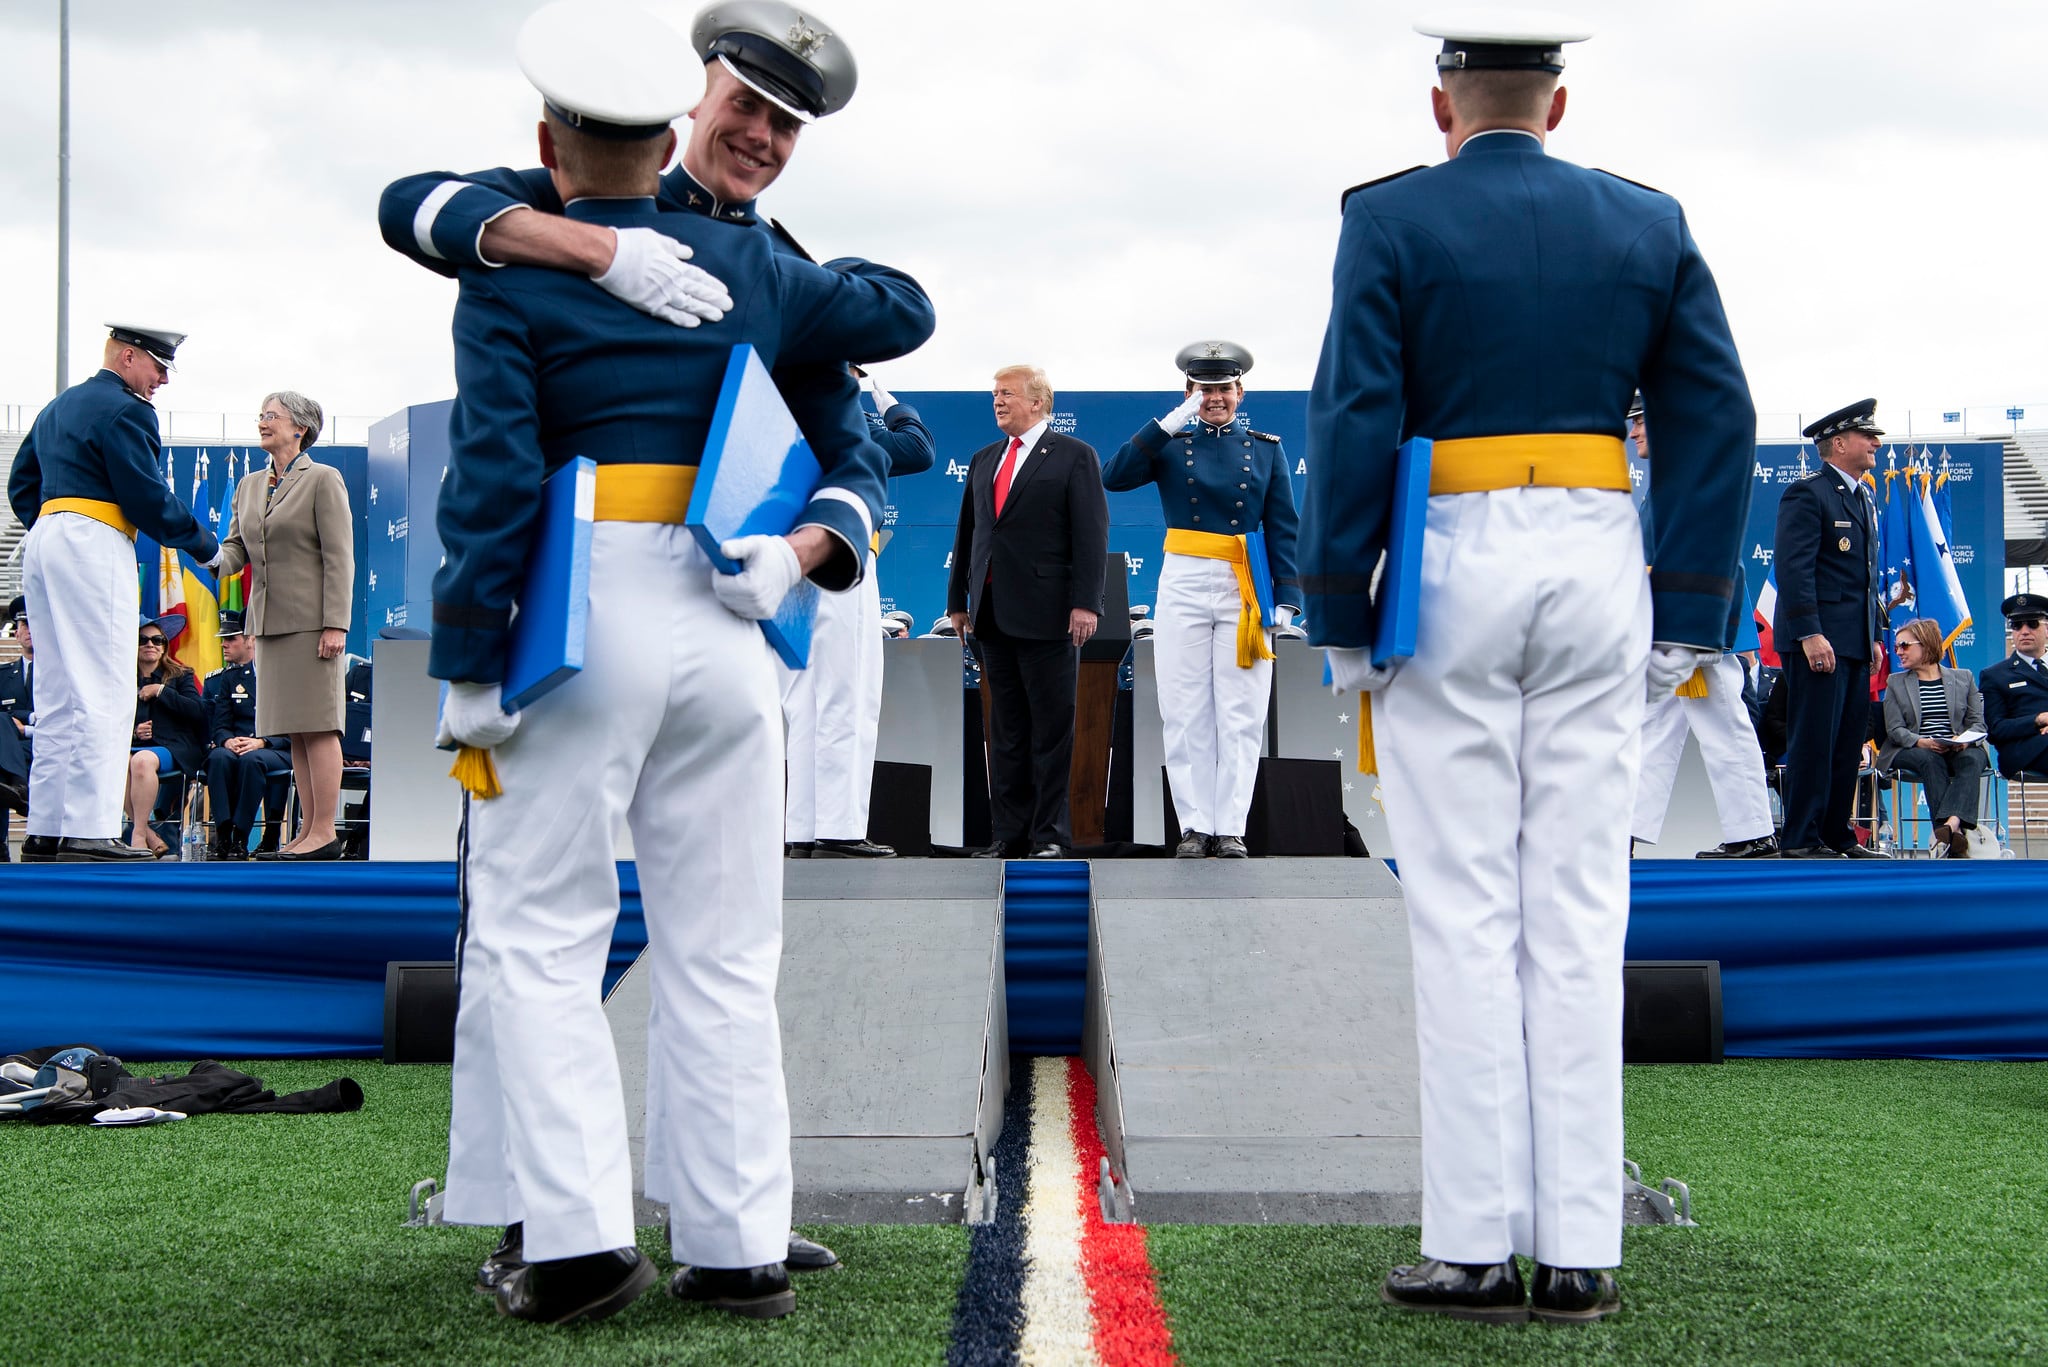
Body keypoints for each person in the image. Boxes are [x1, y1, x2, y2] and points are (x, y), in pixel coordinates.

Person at [425, 2, 932, 1327]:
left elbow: (487, 480)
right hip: (725, 616)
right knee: (723, 945)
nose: (759, 135)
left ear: (551, 141)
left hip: (577, 608)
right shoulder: (754, 271)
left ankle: (581, 1238)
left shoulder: (510, 270)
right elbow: (900, 314)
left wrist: (471, 655)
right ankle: (735, 1237)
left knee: (541, 936)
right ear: (673, 129)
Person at [1301, 14, 1754, 1324]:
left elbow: (1354, 410)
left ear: (1443, 104)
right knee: (1576, 899)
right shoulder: (1648, 221)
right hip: (1603, 552)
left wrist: (1338, 597)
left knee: (1462, 903)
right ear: (1559, 103)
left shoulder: (1388, 221)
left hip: (1451, 553)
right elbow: (1713, 406)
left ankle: (1473, 1240)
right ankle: (1578, 1248)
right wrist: (1692, 598)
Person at [375, 0, 918, 613]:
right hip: (574, 582)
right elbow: (411, 205)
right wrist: (601, 248)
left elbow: (853, 437)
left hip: (728, 597)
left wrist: (800, 553)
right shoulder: (589, 191)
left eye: (786, 124)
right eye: (743, 103)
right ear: (694, 97)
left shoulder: (777, 273)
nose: (760, 136)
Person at [7, 324, 220, 862]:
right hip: (93, 541)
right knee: (105, 688)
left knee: (56, 696)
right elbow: (146, 495)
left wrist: (57, 521)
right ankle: (90, 828)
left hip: (47, 538)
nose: (163, 380)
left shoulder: (59, 406)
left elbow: (21, 483)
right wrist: (204, 546)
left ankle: (47, 830)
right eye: (158, 366)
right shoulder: (129, 410)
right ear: (128, 357)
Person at [1102, 341, 1299, 859]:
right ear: (1189, 394)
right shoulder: (1170, 441)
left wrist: (1288, 599)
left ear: (1240, 392)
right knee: (1185, 708)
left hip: (1246, 585)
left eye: (1223, 389)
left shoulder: (1266, 448)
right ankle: (1194, 825)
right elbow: (1114, 476)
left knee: (1241, 711)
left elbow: (1283, 528)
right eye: (1204, 390)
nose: (1215, 398)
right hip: (1185, 578)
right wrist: (1170, 422)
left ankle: (1230, 827)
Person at [947, 365, 1110, 859]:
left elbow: (1091, 534)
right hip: (991, 615)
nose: (997, 401)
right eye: (994, 394)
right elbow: (969, 533)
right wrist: (958, 601)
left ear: (1038, 402)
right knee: (1006, 732)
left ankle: (1051, 837)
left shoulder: (1074, 456)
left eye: (1007, 394)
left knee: (1051, 731)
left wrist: (1086, 602)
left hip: (1050, 615)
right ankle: (1008, 835)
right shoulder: (983, 459)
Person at [782, 366, 935, 859]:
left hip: (787, 559)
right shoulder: (837, 408)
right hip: (841, 558)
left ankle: (802, 831)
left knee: (802, 700)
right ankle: (840, 828)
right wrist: (892, 406)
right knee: (849, 692)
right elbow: (917, 449)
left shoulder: (777, 403)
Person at [1625, 397, 1776, 858]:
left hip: (1691, 629)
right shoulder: (1679, 474)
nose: (1633, 433)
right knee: (1653, 729)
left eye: (1639, 421)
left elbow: (1712, 553)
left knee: (1726, 724)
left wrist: (1698, 629)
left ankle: (1753, 834)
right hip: (1677, 626)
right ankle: (1624, 832)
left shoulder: (1687, 476)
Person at [215, 391, 353, 861]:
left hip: (314, 625)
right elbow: (235, 550)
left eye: (271, 416)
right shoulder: (249, 486)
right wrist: (204, 552)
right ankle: (307, 833)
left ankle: (324, 831)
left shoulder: (323, 479)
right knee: (294, 729)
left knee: (319, 727)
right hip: (268, 625)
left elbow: (339, 557)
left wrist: (336, 623)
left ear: (301, 427)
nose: (262, 422)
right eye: (260, 415)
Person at [1773, 399, 1889, 859]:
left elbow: (1864, 579)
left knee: (1846, 745)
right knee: (1815, 741)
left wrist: (1874, 636)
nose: (1876, 443)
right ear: (1838, 444)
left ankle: (1837, 835)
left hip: (1855, 642)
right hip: (1818, 641)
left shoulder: (1863, 496)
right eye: (1867, 436)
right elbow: (1794, 568)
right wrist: (1808, 634)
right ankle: (1802, 837)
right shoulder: (1809, 493)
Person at [1877, 617, 1988, 857]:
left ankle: (1950, 827)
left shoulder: (1964, 677)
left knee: (1973, 758)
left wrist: (1964, 741)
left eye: (1904, 645)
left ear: (1925, 645)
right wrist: (1922, 741)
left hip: (1957, 745)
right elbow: (1895, 729)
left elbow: (1978, 723)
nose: (1898, 652)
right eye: (1896, 647)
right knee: (1929, 759)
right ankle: (1950, 833)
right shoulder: (1895, 682)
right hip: (1911, 747)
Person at [202, 611, 293, 859]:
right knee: (219, 757)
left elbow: (294, 730)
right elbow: (220, 723)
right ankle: (223, 833)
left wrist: (262, 742)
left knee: (254, 760)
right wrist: (226, 740)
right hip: (237, 745)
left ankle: (240, 836)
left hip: (276, 748)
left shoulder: (284, 676)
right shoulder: (231, 678)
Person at [126, 612, 207, 857]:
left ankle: (138, 835)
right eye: (143, 640)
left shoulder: (181, 675)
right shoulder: (122, 679)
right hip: (134, 747)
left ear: (164, 646)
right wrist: (134, 732)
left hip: (175, 748)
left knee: (141, 762)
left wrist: (162, 691)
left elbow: (198, 712)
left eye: (157, 640)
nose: (150, 644)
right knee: (114, 764)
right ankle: (150, 834)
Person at [1979, 591, 2048, 779]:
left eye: (2032, 624)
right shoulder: (1995, 675)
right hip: (2024, 752)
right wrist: (2038, 719)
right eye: (2017, 625)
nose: (2024, 631)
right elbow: (1995, 729)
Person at [0, 597, 32, 857]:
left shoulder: (65, 672)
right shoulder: (2, 674)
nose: (30, 629)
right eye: (24, 623)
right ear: (16, 631)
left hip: (52, 744)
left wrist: (26, 723)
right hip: (12, 751)